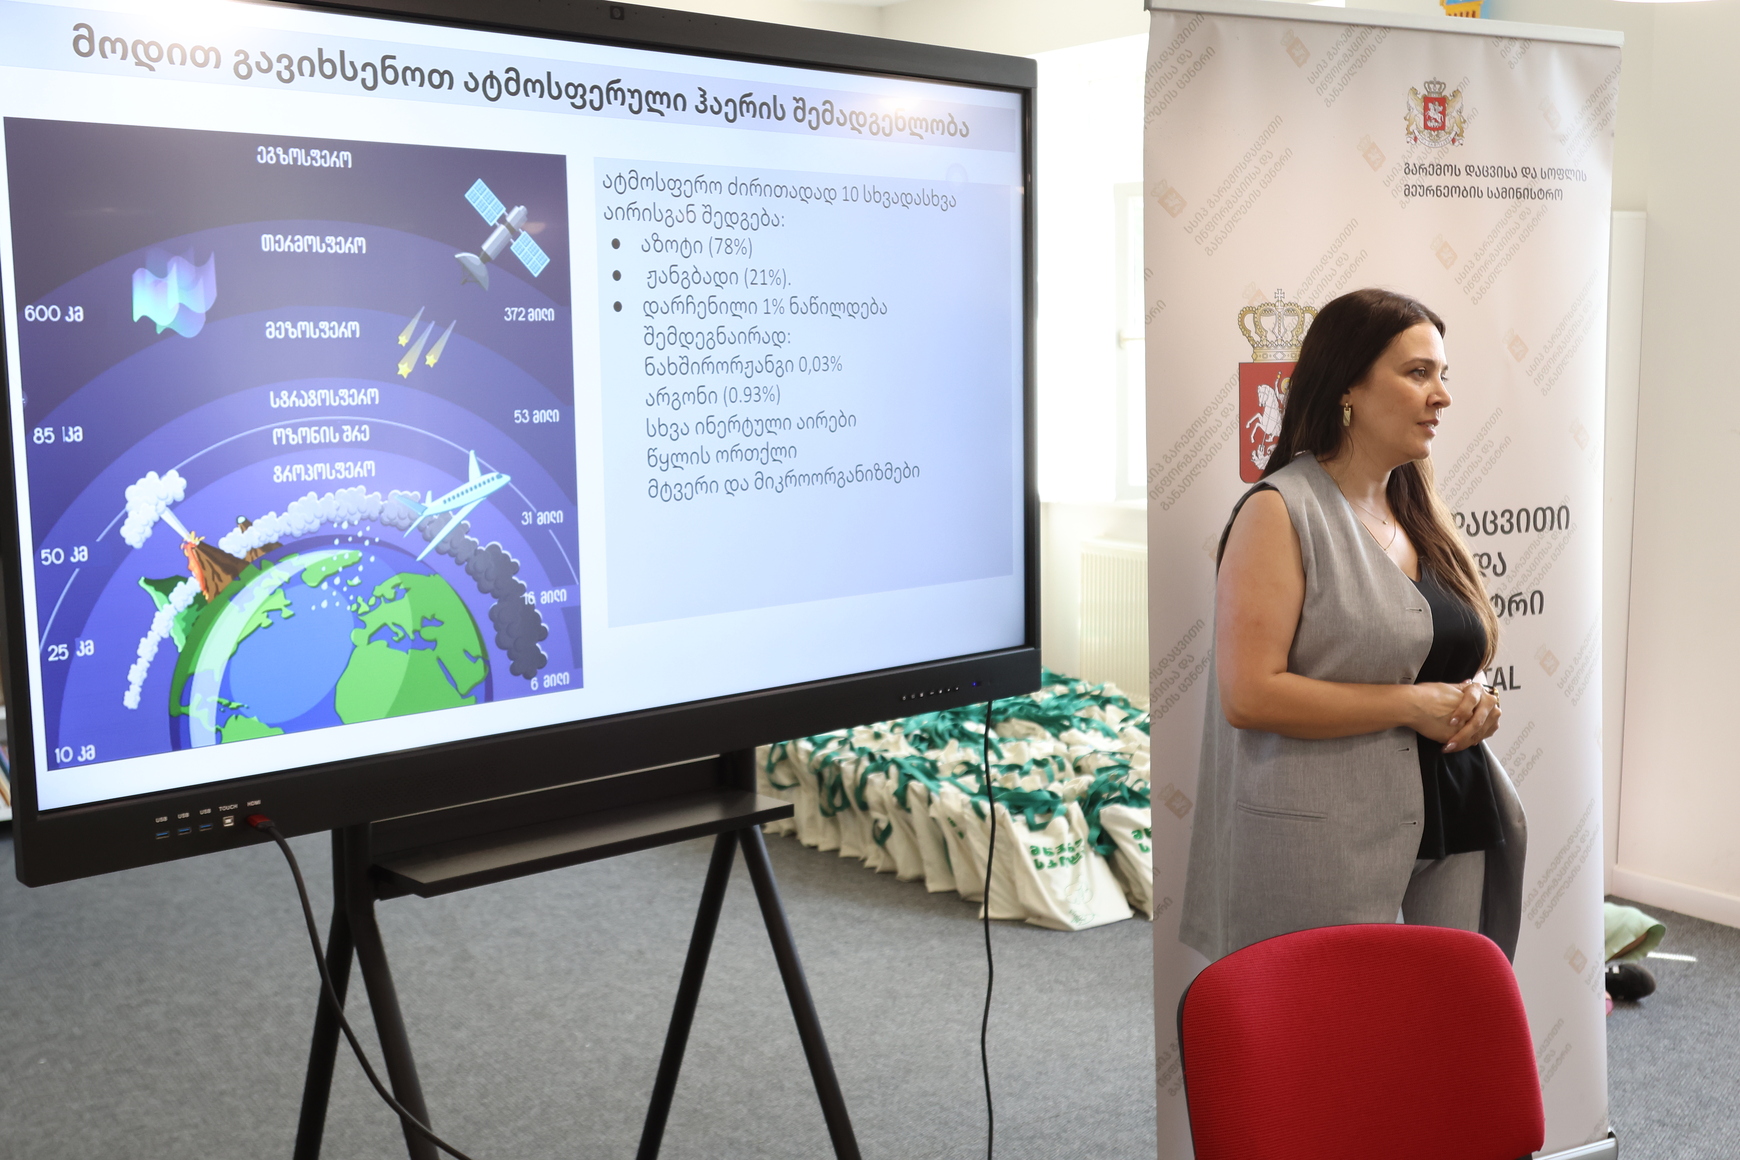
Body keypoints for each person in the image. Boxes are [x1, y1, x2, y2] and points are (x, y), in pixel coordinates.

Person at [1180, 287, 1527, 963]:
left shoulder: (1420, 511)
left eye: (1443, 375)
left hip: (1456, 817)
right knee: (1329, 1023)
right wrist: (1411, 706)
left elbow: (1443, 652)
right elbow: (1250, 695)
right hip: (1329, 836)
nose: (1442, 396)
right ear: (1347, 387)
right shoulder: (1280, 511)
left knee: (1444, 1017)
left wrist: (1477, 698)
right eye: (1418, 373)